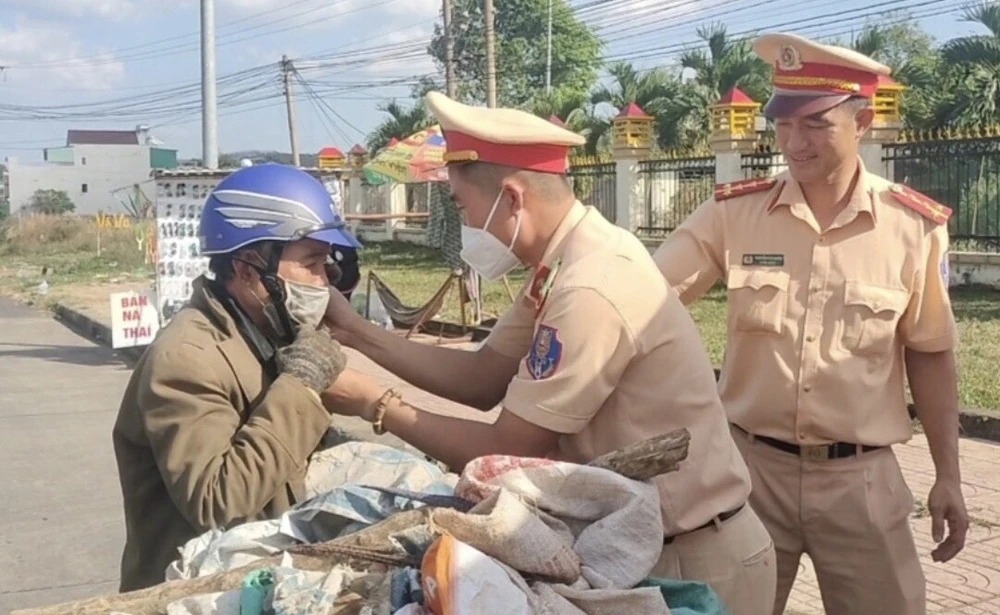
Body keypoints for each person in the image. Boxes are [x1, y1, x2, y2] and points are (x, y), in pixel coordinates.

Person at [320, 91, 777, 614]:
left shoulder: (589, 285)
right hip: (645, 544)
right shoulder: (558, 266)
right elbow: (482, 377)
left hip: (695, 556)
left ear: (512, 199)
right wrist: (355, 331)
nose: (469, 227)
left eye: (465, 208)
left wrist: (375, 404)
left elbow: (510, 448)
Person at [652, 32, 969, 615]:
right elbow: (646, 296)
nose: (795, 143)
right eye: (784, 124)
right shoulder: (734, 213)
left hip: (861, 485)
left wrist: (949, 475)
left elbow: (930, 352)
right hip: (748, 478)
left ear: (863, 120)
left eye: (817, 124)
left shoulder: (912, 227)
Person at [112, 163, 363, 591]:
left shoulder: (263, 332)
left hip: (257, 577)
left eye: (328, 266)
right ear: (248, 269)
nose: (326, 282)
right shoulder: (186, 360)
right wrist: (300, 385)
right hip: (197, 594)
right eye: (313, 264)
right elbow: (219, 503)